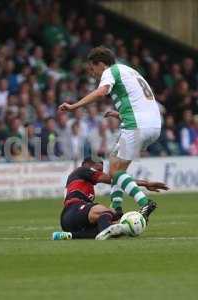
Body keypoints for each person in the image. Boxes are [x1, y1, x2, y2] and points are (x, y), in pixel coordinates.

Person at [58, 46, 162, 219]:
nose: (92, 73)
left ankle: (145, 203)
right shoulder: (129, 71)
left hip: (136, 125)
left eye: (92, 68)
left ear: (101, 64)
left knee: (114, 172)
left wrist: (74, 106)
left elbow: (102, 92)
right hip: (153, 126)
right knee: (116, 167)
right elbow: (139, 102)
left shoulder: (110, 71)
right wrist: (120, 114)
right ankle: (117, 210)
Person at [52, 157, 168, 240]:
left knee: (115, 221)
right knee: (105, 212)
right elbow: (114, 179)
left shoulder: (86, 185)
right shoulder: (80, 171)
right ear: (87, 165)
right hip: (72, 210)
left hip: (72, 221)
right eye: (98, 169)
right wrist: (145, 183)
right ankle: (106, 230)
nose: (100, 172)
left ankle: (71, 235)